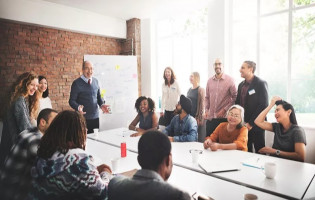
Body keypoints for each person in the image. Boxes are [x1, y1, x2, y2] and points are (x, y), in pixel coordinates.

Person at [27, 110, 112, 200]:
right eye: (84, 129)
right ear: (78, 133)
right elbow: (103, 195)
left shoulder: (45, 153)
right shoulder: (77, 161)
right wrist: (105, 172)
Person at [108, 131, 191, 200]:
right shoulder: (178, 196)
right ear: (168, 160)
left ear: (139, 160)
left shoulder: (114, 185)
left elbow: (116, 179)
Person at [0, 108, 58, 200]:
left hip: (6, 186)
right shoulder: (36, 141)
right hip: (13, 193)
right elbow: (50, 168)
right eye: (55, 122)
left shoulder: (29, 131)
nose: (58, 126)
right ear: (43, 122)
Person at [0, 72, 39, 169]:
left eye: (36, 85)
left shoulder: (18, 98)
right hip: (13, 146)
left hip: (8, 144)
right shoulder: (19, 101)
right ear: (24, 84)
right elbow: (24, 127)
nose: (35, 88)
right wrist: (39, 134)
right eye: (32, 85)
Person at [254, 96, 306, 162]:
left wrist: (275, 151)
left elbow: (300, 157)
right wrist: (270, 105)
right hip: (274, 163)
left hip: (288, 165)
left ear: (289, 112)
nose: (275, 113)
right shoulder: (276, 127)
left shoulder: (298, 131)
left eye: (278, 110)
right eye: (274, 111)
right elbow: (257, 121)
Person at [235, 61, 268, 153]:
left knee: (260, 150)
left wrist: (251, 123)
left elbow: (263, 105)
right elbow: (237, 104)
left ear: (250, 69)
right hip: (243, 124)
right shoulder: (240, 85)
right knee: (245, 150)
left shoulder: (261, 83)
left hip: (257, 124)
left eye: (242, 68)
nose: (240, 70)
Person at [69, 60, 109, 133]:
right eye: (87, 68)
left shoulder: (96, 81)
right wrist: (78, 107)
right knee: (83, 140)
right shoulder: (76, 83)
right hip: (82, 118)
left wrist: (102, 105)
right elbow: (71, 101)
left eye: (91, 68)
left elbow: (99, 97)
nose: (89, 71)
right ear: (83, 69)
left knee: (95, 138)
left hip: (95, 117)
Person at [204, 58, 237, 138]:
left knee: (222, 145)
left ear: (223, 66)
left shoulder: (230, 80)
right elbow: (207, 97)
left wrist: (225, 109)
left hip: (224, 119)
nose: (217, 66)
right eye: (215, 64)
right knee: (209, 142)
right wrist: (206, 110)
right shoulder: (209, 81)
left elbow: (235, 97)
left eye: (219, 64)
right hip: (211, 119)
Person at [187, 72, 205, 142]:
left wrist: (198, 117)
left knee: (198, 138)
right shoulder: (189, 90)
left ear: (197, 78)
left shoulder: (201, 89)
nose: (190, 78)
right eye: (190, 76)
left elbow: (202, 105)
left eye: (192, 76)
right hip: (189, 116)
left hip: (196, 117)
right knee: (190, 137)